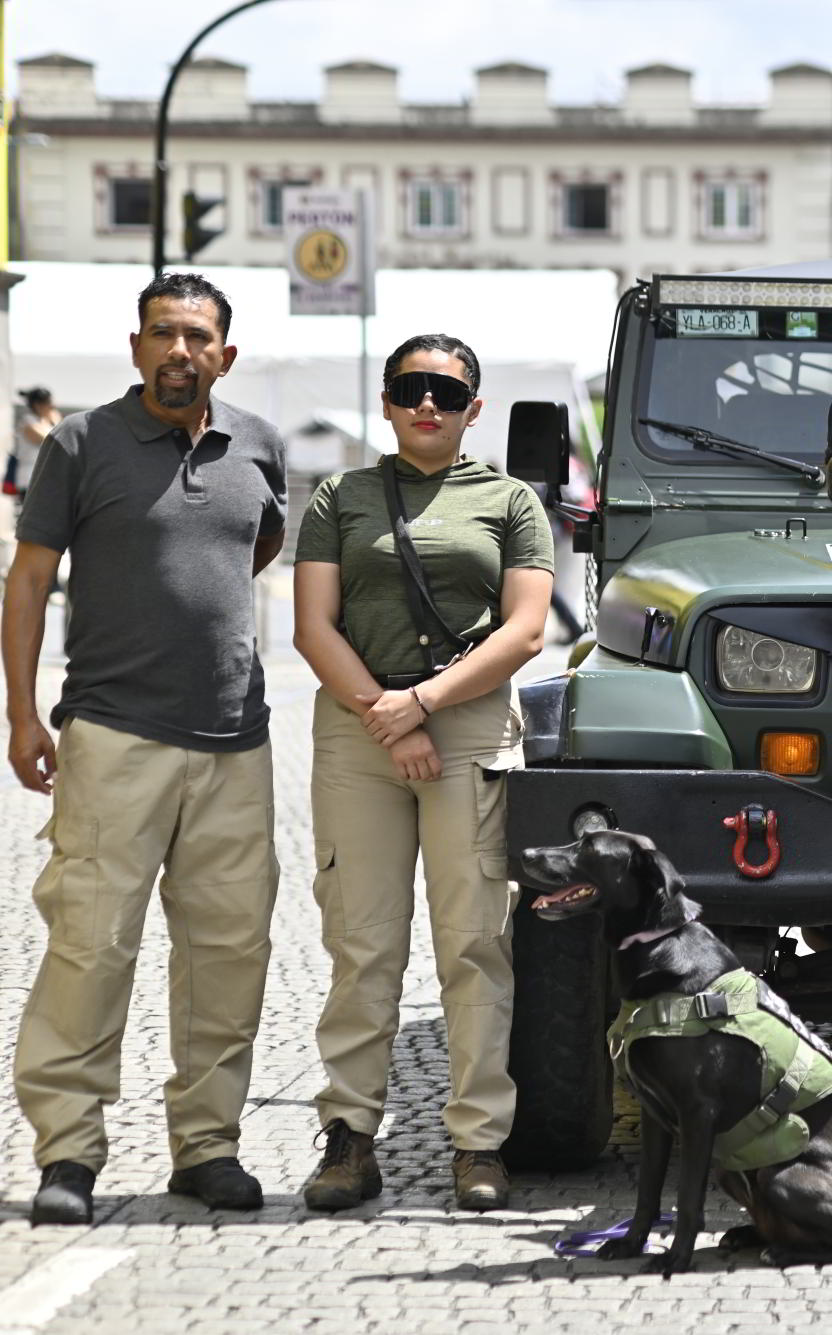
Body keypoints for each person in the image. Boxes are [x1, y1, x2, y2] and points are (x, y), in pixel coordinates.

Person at [6, 273, 286, 1225]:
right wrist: (22, 713)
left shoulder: (259, 445)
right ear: (136, 348)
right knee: (91, 944)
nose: (179, 350)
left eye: (197, 336)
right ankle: (70, 1151)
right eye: (162, 333)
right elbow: (29, 578)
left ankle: (207, 1145)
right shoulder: (81, 444)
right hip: (113, 735)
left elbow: (252, 550)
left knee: (230, 951)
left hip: (236, 744)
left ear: (225, 354)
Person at [292, 333, 553, 1212]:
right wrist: (386, 712)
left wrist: (424, 703)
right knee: (361, 943)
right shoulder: (341, 494)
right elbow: (312, 626)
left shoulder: (512, 500)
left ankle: (478, 1144)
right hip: (359, 730)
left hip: (470, 727)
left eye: (445, 389)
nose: (426, 403)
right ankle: (350, 1139)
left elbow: (525, 631)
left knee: (475, 942)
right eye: (409, 388)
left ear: (474, 406)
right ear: (388, 401)